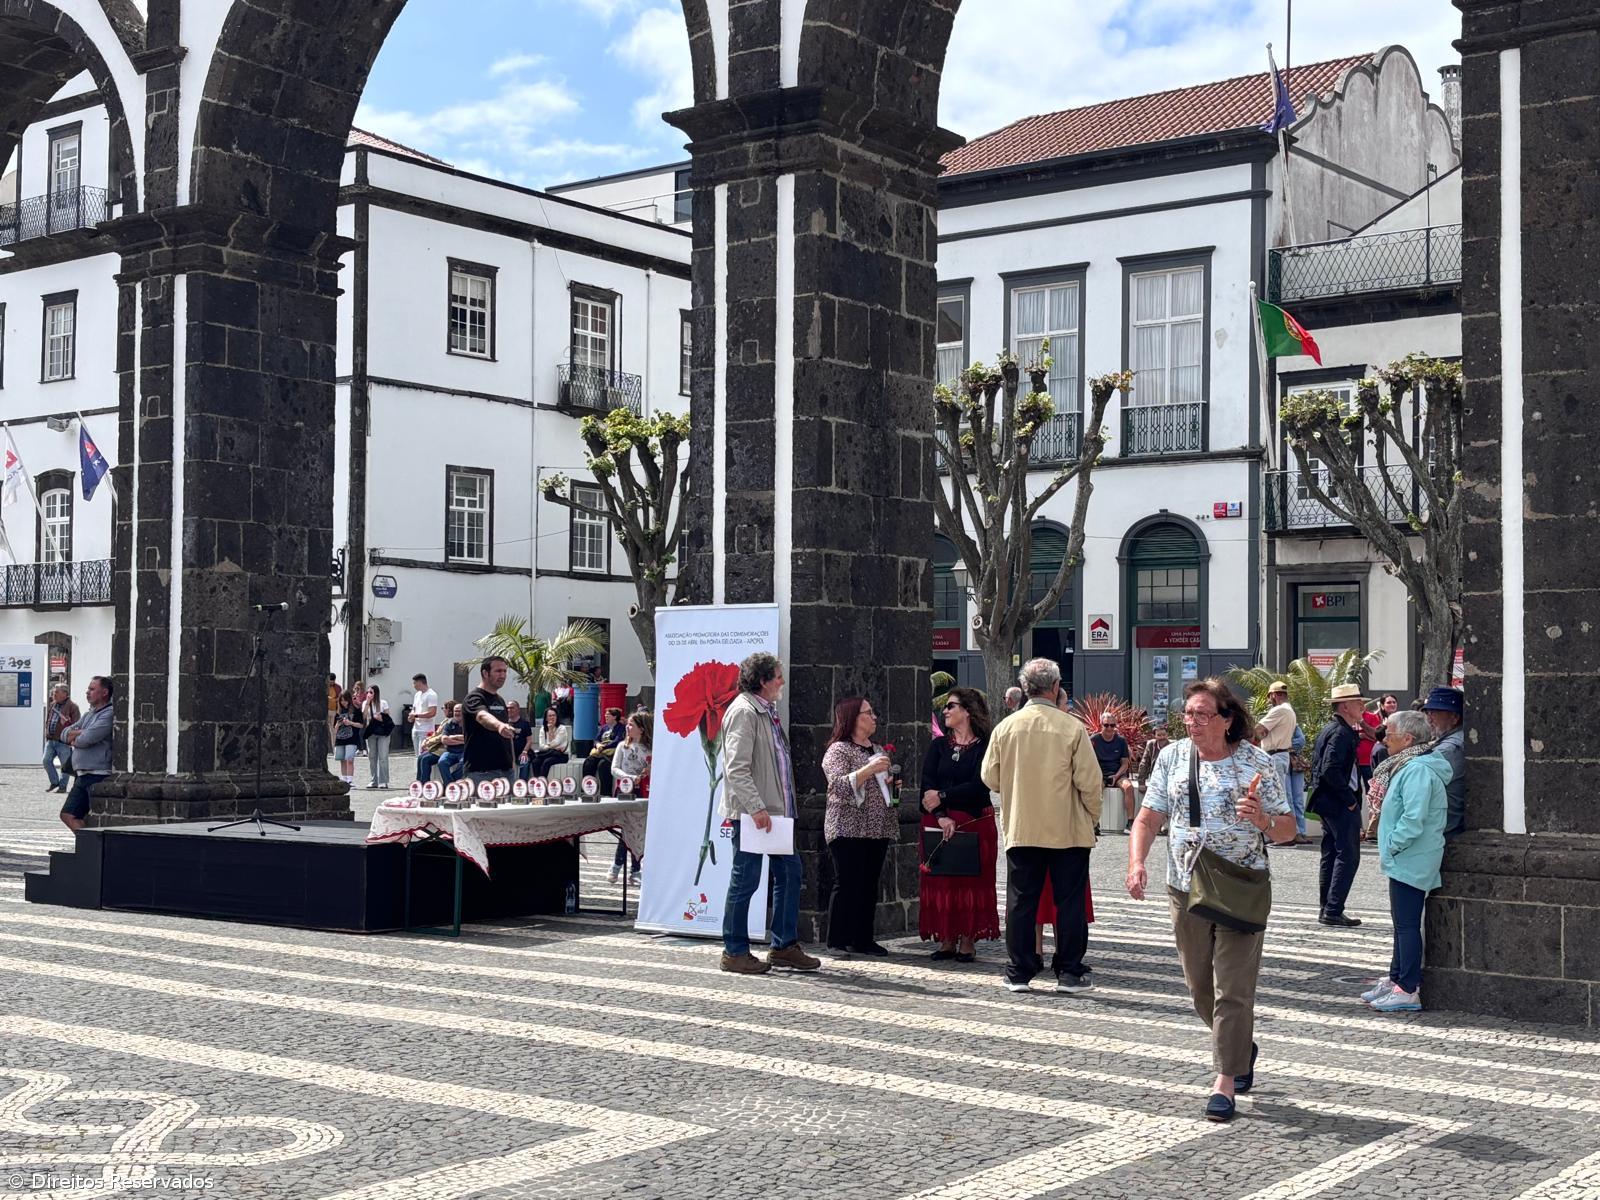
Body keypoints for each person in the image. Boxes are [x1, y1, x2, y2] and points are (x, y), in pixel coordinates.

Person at [1129, 677, 1295, 1122]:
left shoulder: (1256, 762)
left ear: (1226, 719)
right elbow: (1148, 817)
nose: (1193, 723)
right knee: (1200, 987)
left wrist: (1262, 819)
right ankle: (1239, 1046)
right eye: (1188, 714)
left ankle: (1224, 1081)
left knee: (1233, 989)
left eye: (1202, 715)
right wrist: (1136, 863)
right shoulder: (1172, 757)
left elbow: (1288, 830)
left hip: (1241, 886)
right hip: (1185, 885)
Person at [981, 657, 1103, 995]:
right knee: (1070, 902)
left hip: (1023, 825)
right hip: (1067, 828)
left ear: (1024, 688)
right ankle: (1069, 972)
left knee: (1021, 901)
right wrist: (1092, 817)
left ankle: (1019, 971)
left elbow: (989, 776)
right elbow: (1090, 782)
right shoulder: (1071, 727)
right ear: (1055, 687)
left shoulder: (1006, 727)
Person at [719, 652, 820, 975]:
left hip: (777, 812)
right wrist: (756, 807)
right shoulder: (744, 712)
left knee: (790, 874)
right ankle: (734, 951)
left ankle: (783, 945)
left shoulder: (765, 710)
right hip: (754, 815)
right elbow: (736, 768)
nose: (782, 681)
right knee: (745, 879)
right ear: (763, 681)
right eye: (777, 676)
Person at [1365, 709, 1452, 1013]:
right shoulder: (1410, 765)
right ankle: (1397, 979)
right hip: (1407, 856)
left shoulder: (1417, 770)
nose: (1384, 739)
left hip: (1411, 857)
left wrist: (1392, 845)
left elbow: (1413, 819)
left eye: (1389, 733)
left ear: (1407, 739)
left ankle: (1407, 987)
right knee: (1402, 924)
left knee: (1406, 925)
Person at [918, 686, 997, 962]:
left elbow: (979, 785)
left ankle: (967, 939)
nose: (945, 711)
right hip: (938, 822)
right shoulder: (939, 746)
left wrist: (943, 795)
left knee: (969, 882)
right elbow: (927, 782)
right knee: (942, 882)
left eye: (951, 706)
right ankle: (946, 938)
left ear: (968, 711)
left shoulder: (984, 746)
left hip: (974, 822)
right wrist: (941, 814)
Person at [820, 696, 899, 958]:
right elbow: (838, 785)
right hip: (847, 826)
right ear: (853, 718)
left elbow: (882, 788)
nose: (874, 717)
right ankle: (837, 940)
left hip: (877, 826)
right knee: (847, 882)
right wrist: (869, 769)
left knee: (869, 883)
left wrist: (893, 787)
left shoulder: (877, 749)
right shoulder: (838, 750)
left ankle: (863, 939)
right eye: (868, 713)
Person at [1310, 682, 1368, 927]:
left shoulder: (1335, 729)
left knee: (1332, 853)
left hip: (1329, 801)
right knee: (1347, 855)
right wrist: (1350, 801)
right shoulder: (1341, 733)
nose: (1362, 706)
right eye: (1358, 702)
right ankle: (1332, 909)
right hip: (1339, 803)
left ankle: (1328, 908)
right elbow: (1329, 769)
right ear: (1345, 706)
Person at [60, 676, 114, 832]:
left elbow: (87, 739)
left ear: (104, 692)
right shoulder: (89, 714)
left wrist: (76, 736)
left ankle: (91, 845)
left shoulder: (108, 713)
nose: (87, 692)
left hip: (96, 774)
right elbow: (63, 734)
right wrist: (80, 733)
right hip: (83, 774)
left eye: (92, 689)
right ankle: (88, 845)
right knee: (69, 815)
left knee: (83, 816)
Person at [607, 712, 650, 883]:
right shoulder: (622, 747)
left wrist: (647, 771)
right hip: (624, 791)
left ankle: (634, 868)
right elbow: (614, 769)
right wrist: (629, 777)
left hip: (642, 791)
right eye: (628, 724)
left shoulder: (649, 749)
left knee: (637, 829)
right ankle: (619, 865)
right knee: (626, 828)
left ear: (641, 729)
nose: (627, 727)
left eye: (631, 725)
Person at [1420, 686, 1467, 839]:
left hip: (1446, 831)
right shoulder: (1450, 741)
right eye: (1428, 713)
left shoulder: (1450, 748)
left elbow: (1419, 778)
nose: (1429, 719)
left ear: (1454, 717)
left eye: (1434, 713)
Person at [1091, 711, 1135, 832]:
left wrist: (1116, 776)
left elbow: (1125, 763)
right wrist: (1099, 775)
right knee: (1095, 788)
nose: (1109, 728)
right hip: (1100, 773)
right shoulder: (1094, 740)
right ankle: (1094, 823)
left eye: (1112, 725)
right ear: (1101, 725)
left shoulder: (1121, 741)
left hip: (1118, 773)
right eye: (1106, 725)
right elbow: (1089, 761)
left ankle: (1130, 821)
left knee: (1129, 787)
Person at [1256, 680, 1297, 801]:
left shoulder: (1280, 710)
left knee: (1276, 798)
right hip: (1281, 755)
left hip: (1274, 757)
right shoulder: (1290, 711)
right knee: (1278, 796)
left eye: (1269, 697)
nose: (1269, 701)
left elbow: (1259, 730)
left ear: (1274, 695)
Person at [43, 683, 80, 794]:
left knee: (64, 765)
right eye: (54, 692)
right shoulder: (53, 705)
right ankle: (54, 782)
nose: (53, 694)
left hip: (63, 741)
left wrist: (67, 723)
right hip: (51, 740)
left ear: (64, 694)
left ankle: (62, 787)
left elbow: (77, 724)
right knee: (46, 760)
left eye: (56, 692)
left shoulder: (73, 707)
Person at [582, 707, 627, 782]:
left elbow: (617, 741)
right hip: (600, 751)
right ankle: (588, 785)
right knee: (588, 762)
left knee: (603, 765)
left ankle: (605, 789)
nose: (606, 716)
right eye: (605, 714)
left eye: (608, 715)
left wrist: (604, 747)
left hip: (611, 753)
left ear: (614, 717)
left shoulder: (621, 728)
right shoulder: (604, 727)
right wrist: (598, 745)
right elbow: (597, 739)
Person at [527, 706, 572, 779]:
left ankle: (542, 781)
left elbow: (556, 742)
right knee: (535, 762)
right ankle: (538, 780)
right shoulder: (543, 729)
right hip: (547, 753)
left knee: (547, 762)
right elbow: (541, 746)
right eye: (550, 716)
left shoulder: (562, 728)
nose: (552, 717)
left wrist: (550, 731)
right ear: (546, 718)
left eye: (554, 715)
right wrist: (551, 747)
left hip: (561, 754)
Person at [363, 685, 393, 789]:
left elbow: (388, 717)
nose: (369, 694)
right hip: (371, 732)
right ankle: (373, 780)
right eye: (367, 692)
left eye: (371, 692)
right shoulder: (365, 703)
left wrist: (380, 718)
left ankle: (383, 781)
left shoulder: (383, 703)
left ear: (376, 693)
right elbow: (363, 716)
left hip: (383, 732)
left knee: (383, 756)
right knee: (372, 757)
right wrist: (367, 703)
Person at [410, 674, 439, 781]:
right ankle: (418, 778)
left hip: (426, 729)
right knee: (417, 755)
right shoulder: (417, 695)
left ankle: (424, 779)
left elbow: (432, 712)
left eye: (414, 683)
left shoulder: (431, 694)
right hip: (416, 728)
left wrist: (417, 715)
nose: (413, 685)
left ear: (420, 682)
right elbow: (414, 709)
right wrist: (412, 715)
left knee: (423, 755)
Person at [1287, 723, 1311, 844]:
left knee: (1298, 800)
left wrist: (1284, 745)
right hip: (1285, 762)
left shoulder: (1294, 725)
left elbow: (1301, 742)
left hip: (1295, 764)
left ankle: (1301, 832)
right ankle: (1294, 832)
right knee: (1289, 799)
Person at [506, 700, 534, 781]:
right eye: (508, 708)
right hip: (508, 755)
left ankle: (522, 784)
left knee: (524, 762)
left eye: (512, 708)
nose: (509, 710)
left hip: (521, 753)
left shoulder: (525, 724)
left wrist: (524, 752)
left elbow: (529, 740)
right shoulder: (504, 724)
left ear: (518, 709)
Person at [327, 673, 341, 752]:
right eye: (330, 681)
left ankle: (333, 748)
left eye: (332, 681)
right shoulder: (326, 686)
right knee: (327, 728)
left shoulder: (338, 687)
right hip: (326, 710)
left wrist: (338, 710)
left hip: (333, 710)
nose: (331, 683)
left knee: (332, 729)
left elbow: (340, 697)